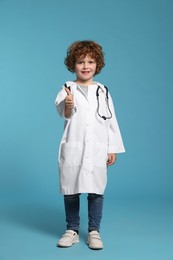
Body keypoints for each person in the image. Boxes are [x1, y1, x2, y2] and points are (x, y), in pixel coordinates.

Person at [55, 40, 125, 250]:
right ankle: (72, 230)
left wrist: (112, 147)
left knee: (96, 191)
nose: (85, 66)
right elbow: (65, 114)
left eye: (91, 61)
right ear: (72, 64)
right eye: (80, 61)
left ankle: (94, 231)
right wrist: (68, 105)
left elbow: (111, 120)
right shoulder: (67, 88)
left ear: (98, 64)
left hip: (97, 148)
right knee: (71, 190)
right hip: (74, 147)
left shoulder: (103, 90)